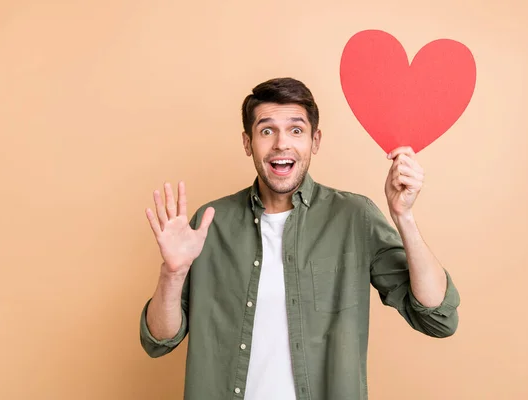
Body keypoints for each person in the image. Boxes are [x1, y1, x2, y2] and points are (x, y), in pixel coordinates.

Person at [139, 77, 460, 400]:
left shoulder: (353, 217)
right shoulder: (210, 223)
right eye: (267, 131)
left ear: (315, 140)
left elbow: (437, 317)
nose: (281, 144)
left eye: (296, 130)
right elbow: (158, 341)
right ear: (248, 142)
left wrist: (403, 216)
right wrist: (173, 273)